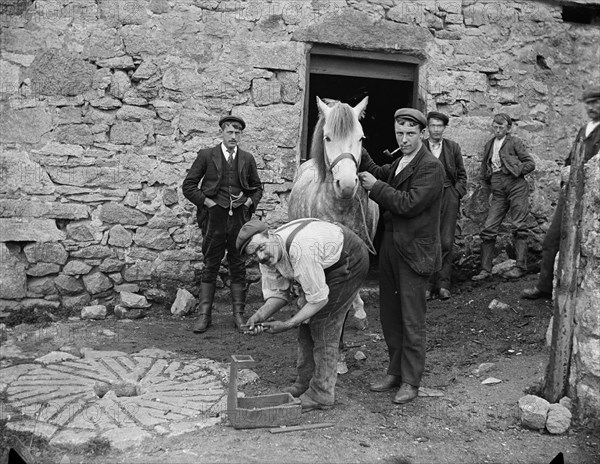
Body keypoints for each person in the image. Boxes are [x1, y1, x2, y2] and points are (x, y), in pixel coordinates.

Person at [358, 108, 445, 404]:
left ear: (421, 133)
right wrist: (354, 140)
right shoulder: (401, 161)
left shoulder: (430, 167)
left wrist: (377, 188)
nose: (404, 139)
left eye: (410, 134)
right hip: (392, 247)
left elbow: (408, 203)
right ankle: (395, 372)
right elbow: (379, 171)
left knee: (411, 320)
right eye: (399, 134)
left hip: (414, 251)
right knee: (390, 316)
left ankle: (411, 380)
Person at [239, 218, 369, 411]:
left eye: (261, 248)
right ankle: (304, 382)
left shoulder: (301, 250)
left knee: (323, 322)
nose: (261, 256)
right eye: (254, 254)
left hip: (349, 258)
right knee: (306, 321)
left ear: (270, 234)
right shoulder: (267, 256)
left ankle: (322, 394)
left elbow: (319, 299)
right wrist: (258, 317)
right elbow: (279, 293)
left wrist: (288, 324)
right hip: (321, 262)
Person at [182, 115, 263, 333]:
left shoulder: (247, 158)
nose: (234, 136)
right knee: (211, 264)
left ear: (241, 135)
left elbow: (257, 188)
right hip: (214, 218)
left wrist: (248, 202)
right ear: (222, 132)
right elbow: (188, 186)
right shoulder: (206, 156)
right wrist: (207, 202)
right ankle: (204, 315)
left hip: (238, 219)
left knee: (238, 265)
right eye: (230, 132)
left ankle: (238, 315)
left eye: (238, 133)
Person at [522, 86, 600, 299]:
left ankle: (577, 293)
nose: (593, 107)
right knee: (552, 239)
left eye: (597, 102)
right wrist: (565, 174)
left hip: (591, 199)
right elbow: (571, 158)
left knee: (585, 247)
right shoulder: (585, 129)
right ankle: (545, 287)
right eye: (589, 103)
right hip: (571, 193)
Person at [472, 113, 535, 281]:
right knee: (489, 227)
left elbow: (530, 163)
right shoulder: (489, 144)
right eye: (495, 127)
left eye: (501, 127)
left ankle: (520, 267)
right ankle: (485, 270)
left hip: (516, 185)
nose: (498, 130)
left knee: (518, 225)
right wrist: (489, 178)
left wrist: (516, 170)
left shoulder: (514, 142)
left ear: (508, 128)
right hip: (498, 187)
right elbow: (486, 165)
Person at [423, 111, 467, 300]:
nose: (436, 130)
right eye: (432, 126)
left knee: (446, 241)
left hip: (448, 195)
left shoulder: (452, 147)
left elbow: (462, 175)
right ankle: (426, 285)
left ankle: (443, 284)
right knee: (427, 240)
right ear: (427, 128)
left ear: (444, 128)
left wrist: (456, 193)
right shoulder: (421, 147)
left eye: (439, 126)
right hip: (426, 197)